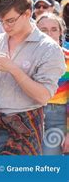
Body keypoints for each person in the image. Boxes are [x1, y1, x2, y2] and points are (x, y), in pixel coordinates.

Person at [0, 0, 66, 155]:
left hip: (23, 127)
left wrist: (14, 69)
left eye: (10, 20)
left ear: (27, 14)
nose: (5, 26)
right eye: (1, 20)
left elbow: (43, 96)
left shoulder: (49, 48)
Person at [36, 13, 68, 155]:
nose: (49, 33)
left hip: (58, 117)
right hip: (29, 115)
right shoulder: (27, 57)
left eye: (54, 29)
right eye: (43, 30)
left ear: (61, 32)